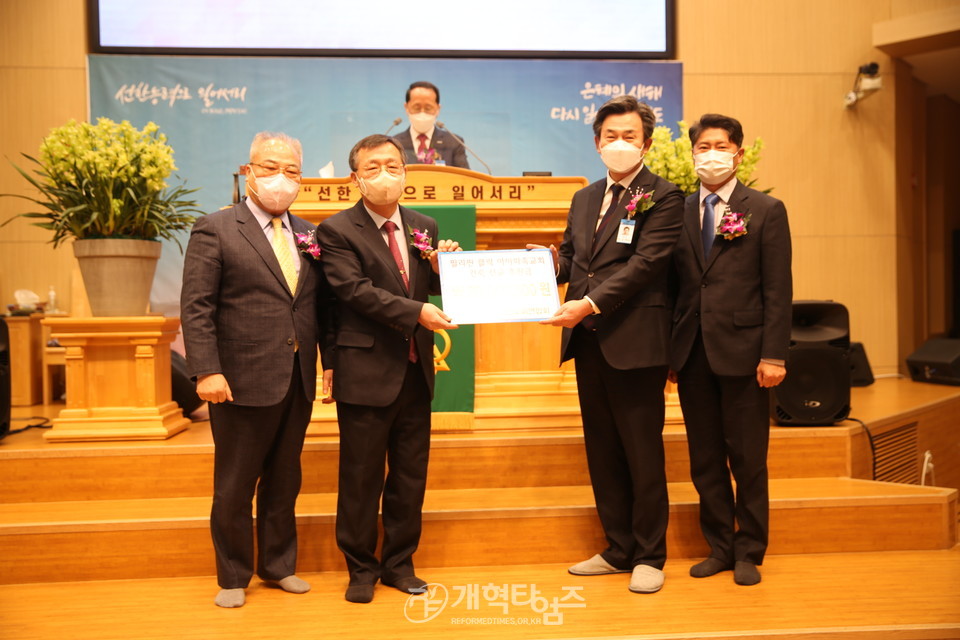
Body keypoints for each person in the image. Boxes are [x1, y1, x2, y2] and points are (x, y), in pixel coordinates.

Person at [531, 95, 683, 594]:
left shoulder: (664, 196)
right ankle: (618, 548)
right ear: (596, 143)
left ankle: (650, 554)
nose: (619, 145)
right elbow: (575, 262)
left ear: (647, 142)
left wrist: (589, 303)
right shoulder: (585, 197)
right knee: (602, 450)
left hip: (635, 341)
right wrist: (542, 264)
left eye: (630, 137)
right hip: (590, 344)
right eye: (611, 137)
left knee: (641, 449)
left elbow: (646, 266)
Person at [180, 131, 335, 608]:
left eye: (291, 170)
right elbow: (197, 306)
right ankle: (232, 575)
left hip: (297, 376)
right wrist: (206, 369)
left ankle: (278, 565)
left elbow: (320, 307)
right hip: (239, 379)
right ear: (248, 171)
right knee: (235, 482)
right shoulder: (216, 228)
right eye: (270, 167)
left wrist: (329, 362)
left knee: (285, 478)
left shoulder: (310, 233)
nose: (281, 178)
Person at [316, 134, 460, 604]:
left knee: (409, 477)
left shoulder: (424, 225)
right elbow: (353, 291)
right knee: (360, 478)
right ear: (355, 178)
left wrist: (448, 269)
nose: (386, 174)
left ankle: (400, 564)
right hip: (366, 371)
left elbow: (427, 283)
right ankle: (360, 568)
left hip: (416, 372)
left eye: (394, 165)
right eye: (374, 166)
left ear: (406, 171)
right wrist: (416, 311)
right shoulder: (336, 230)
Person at [668, 113, 792, 586]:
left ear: (737, 153)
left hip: (746, 353)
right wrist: (672, 353)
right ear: (693, 153)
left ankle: (750, 549)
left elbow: (778, 289)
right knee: (704, 457)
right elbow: (676, 284)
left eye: (720, 145)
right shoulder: (676, 209)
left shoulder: (764, 209)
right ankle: (719, 546)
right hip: (693, 353)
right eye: (703, 146)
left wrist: (774, 354)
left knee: (747, 457)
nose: (711, 154)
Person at [392, 81, 470, 169]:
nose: (422, 112)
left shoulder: (454, 142)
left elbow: (466, 179)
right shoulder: (394, 144)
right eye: (416, 107)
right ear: (406, 107)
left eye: (428, 108)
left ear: (438, 109)